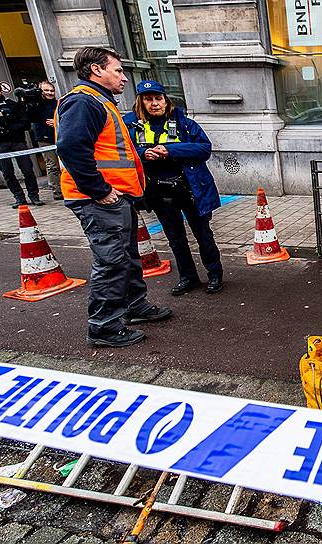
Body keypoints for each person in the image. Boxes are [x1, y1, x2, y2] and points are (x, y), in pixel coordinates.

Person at [56, 47, 172, 348]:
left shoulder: (100, 103)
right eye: (118, 70)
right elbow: (71, 149)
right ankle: (104, 327)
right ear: (96, 70)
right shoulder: (84, 102)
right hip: (100, 200)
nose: (123, 77)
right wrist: (101, 191)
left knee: (126, 257)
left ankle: (135, 306)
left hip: (118, 198)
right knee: (111, 261)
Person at [123, 81, 224, 295]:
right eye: (148, 99)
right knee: (175, 238)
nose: (154, 104)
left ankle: (215, 274)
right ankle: (188, 277)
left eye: (158, 98)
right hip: (159, 191)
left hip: (189, 188)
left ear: (165, 100)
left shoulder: (185, 124)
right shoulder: (130, 126)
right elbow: (123, 152)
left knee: (203, 234)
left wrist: (170, 150)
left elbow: (204, 148)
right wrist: (143, 154)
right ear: (141, 102)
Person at [29, 80, 62, 200]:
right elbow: (30, 117)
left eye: (51, 90)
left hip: (60, 136)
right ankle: (57, 190)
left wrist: (57, 123)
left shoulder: (59, 103)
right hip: (45, 138)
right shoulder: (36, 105)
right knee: (52, 165)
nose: (49, 93)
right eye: (46, 90)